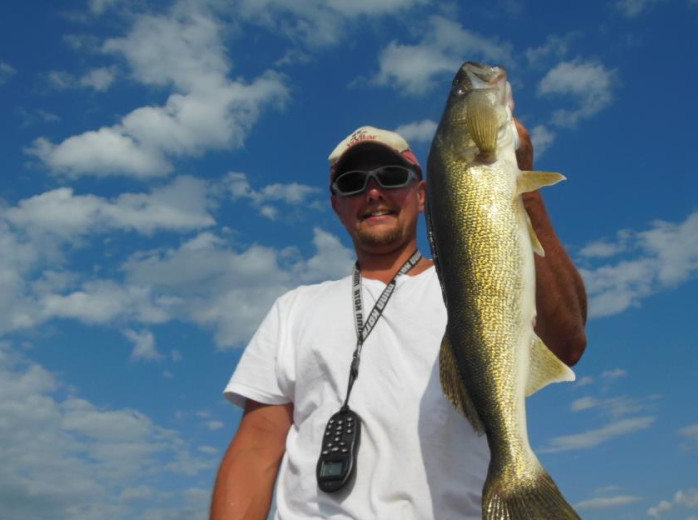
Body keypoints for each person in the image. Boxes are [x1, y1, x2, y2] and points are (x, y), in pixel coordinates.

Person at [210, 123, 587, 519]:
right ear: (336, 205)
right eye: (353, 183)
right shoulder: (293, 309)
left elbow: (567, 342)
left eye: (391, 177)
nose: (373, 193)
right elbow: (256, 446)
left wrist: (516, 181)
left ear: (422, 195)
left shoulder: (477, 284)